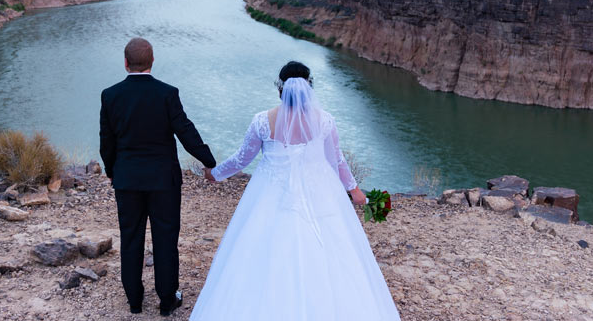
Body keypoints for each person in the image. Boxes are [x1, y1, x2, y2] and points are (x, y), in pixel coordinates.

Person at [190, 61, 401, 320]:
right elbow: (337, 160)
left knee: (259, 249)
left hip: (270, 195)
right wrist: (354, 191)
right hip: (319, 193)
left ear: (280, 88)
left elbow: (241, 160)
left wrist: (215, 173)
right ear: (309, 88)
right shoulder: (324, 121)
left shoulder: (262, 121)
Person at [99, 37, 217, 316]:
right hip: (163, 181)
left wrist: (111, 171)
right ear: (152, 62)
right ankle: (167, 300)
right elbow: (185, 131)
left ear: (126, 63)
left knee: (131, 238)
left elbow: (106, 141)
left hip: (127, 180)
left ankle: (135, 300)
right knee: (165, 239)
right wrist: (210, 162)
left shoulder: (110, 95)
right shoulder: (167, 93)